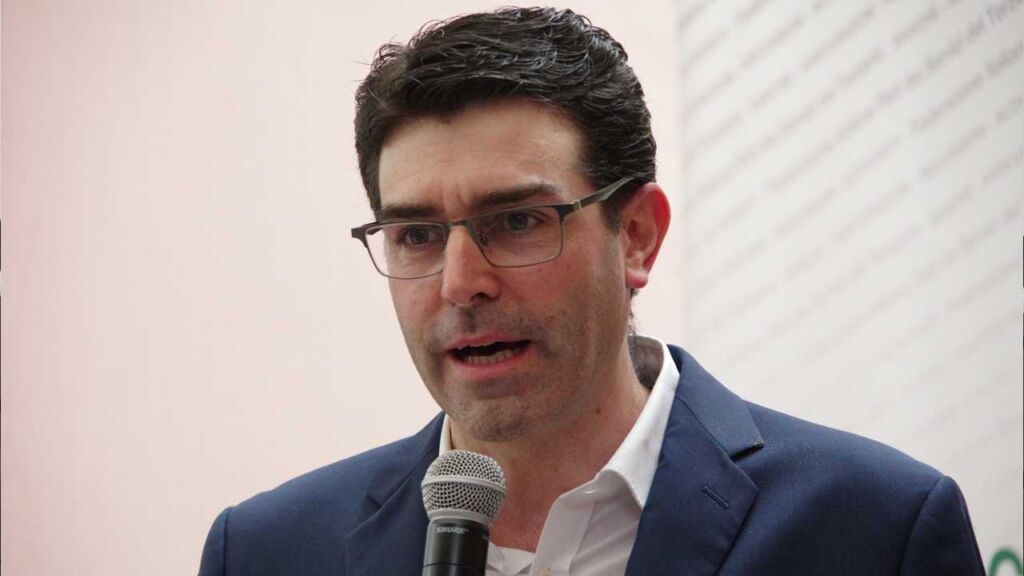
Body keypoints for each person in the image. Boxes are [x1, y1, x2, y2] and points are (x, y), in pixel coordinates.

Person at [199, 7, 985, 575]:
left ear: (636, 235)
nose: (461, 283)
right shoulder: (269, 553)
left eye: (516, 221)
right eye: (417, 235)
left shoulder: (876, 530)